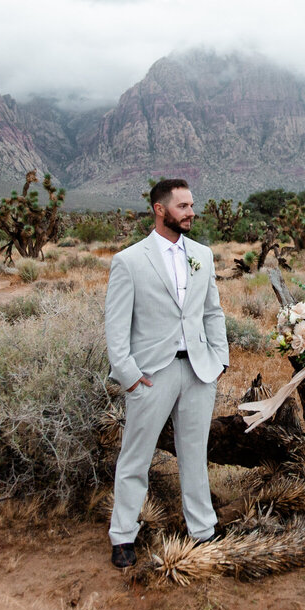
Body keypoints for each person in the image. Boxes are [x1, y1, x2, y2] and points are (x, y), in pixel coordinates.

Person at [103, 178, 228, 569]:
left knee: (194, 453)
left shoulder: (203, 255)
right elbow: (116, 324)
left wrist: (219, 357)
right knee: (135, 458)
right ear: (160, 209)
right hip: (151, 374)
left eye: (192, 205)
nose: (191, 212)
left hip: (197, 370)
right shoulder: (130, 260)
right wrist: (128, 374)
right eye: (183, 206)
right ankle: (123, 535)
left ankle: (203, 528)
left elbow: (212, 310)